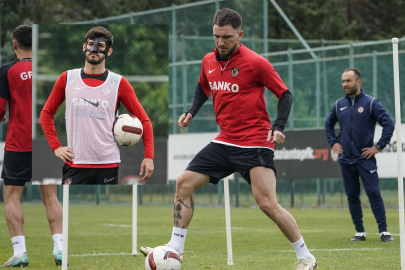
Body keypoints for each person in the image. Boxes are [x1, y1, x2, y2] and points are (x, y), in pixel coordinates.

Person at [141, 9, 317, 270]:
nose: (220, 42)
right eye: (216, 36)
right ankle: (174, 250)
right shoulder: (208, 60)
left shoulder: (256, 62)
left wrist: (278, 126)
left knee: (267, 204)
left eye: (227, 37)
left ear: (240, 34)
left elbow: (285, 94)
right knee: (184, 183)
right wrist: (191, 111)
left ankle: (306, 257)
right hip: (224, 141)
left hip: (255, 142)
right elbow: (203, 87)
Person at [40, 26, 154, 185]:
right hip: (75, 164)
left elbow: (145, 121)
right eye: (91, 44)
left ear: (109, 51)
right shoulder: (67, 78)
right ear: (83, 47)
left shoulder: (119, 83)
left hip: (108, 164)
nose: (94, 49)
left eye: (100, 46)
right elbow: (46, 113)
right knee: (71, 210)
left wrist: (149, 156)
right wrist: (56, 147)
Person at [0, 25, 65, 267]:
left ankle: (20, 253)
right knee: (50, 196)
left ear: (14, 44)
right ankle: (59, 250)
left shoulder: (6, 71)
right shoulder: (49, 72)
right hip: (46, 142)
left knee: (12, 197)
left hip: (18, 144)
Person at [325, 68, 395, 242]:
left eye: (348, 81)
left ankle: (384, 231)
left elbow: (388, 124)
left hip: (365, 159)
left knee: (373, 193)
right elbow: (328, 125)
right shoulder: (339, 104)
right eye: (343, 81)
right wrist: (333, 143)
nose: (345, 84)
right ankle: (360, 232)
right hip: (345, 159)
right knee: (352, 195)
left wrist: (378, 147)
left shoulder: (371, 103)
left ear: (358, 82)